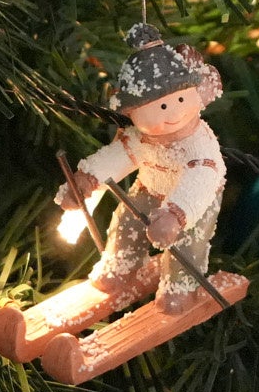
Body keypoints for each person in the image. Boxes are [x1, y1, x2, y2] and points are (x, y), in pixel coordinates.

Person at [58, 24, 226, 314]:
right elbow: (118, 157)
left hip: (193, 203)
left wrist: (175, 216)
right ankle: (121, 266)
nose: (172, 114)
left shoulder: (199, 145)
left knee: (187, 244)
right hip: (150, 187)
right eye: (159, 107)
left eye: (180, 100)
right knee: (126, 223)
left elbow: (201, 181)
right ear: (132, 111)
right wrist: (87, 181)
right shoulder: (139, 138)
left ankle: (180, 287)